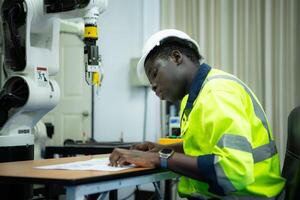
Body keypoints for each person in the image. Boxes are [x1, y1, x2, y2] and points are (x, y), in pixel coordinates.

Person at [109, 29, 285, 199]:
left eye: (155, 73)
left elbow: (233, 172)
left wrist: (158, 158)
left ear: (176, 57)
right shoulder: (193, 98)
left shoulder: (217, 93)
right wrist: (161, 148)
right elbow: (204, 146)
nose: (153, 85)